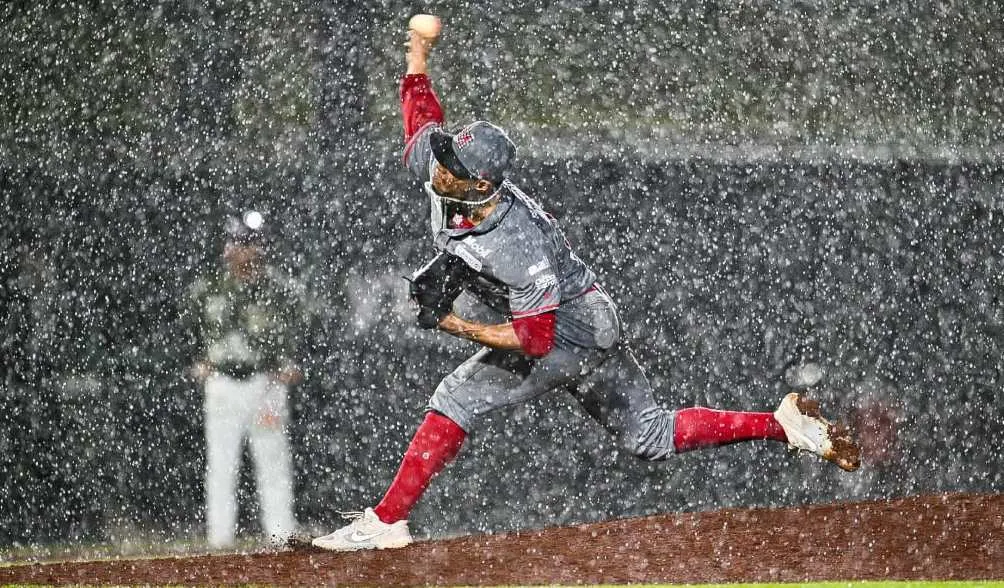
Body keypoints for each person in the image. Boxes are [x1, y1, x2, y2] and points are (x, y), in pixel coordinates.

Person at [311, 16, 861, 552]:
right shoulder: (444, 176)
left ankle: (386, 522)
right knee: (647, 434)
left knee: (456, 397)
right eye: (447, 151)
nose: (439, 162)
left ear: (480, 181)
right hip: (592, 316)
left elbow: (534, 342)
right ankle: (781, 424)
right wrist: (417, 55)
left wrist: (452, 323)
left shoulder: (515, 242)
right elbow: (421, 117)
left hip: (569, 332)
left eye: (452, 161)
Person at [187, 210, 303, 549]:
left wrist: (293, 363)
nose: (245, 252)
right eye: (239, 243)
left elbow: (302, 332)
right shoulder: (207, 288)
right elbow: (185, 333)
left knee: (273, 466)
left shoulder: (280, 289)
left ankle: (281, 541)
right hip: (222, 383)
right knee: (221, 467)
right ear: (227, 248)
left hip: (265, 383)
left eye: (251, 244)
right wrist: (195, 362)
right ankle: (220, 545)